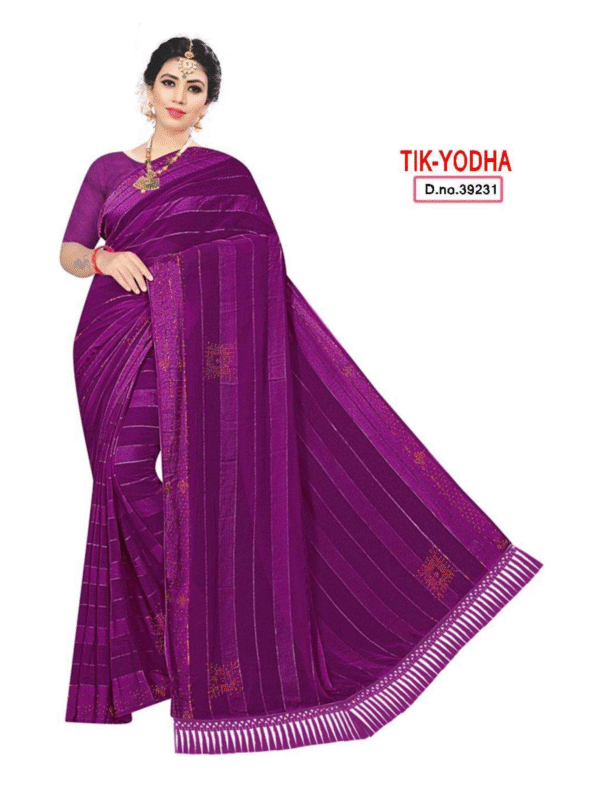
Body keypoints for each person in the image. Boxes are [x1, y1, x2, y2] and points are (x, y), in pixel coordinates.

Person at [60, 36, 543, 756]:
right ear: (148, 87)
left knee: (192, 483)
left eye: (195, 88)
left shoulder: (226, 175)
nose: (180, 96)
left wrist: (186, 282)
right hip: (108, 340)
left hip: (190, 341)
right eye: (170, 81)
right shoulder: (106, 169)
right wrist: (107, 257)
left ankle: (204, 620)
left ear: (208, 103)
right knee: (122, 475)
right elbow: (69, 253)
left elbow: (262, 260)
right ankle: (190, 617)